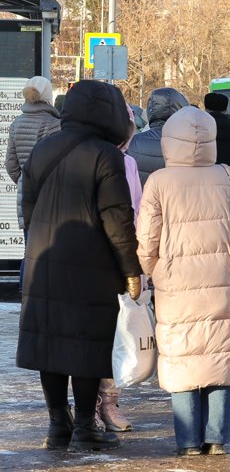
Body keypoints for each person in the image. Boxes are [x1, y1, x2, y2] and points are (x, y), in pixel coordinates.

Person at [136, 106, 230, 456]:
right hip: (221, 280)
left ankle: (189, 442)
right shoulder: (227, 176)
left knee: (182, 358)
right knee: (219, 356)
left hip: (175, 285)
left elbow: (147, 240)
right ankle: (216, 438)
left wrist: (150, 270)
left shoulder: (159, 182)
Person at [17, 79, 142, 453]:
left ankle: (58, 426)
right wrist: (131, 270)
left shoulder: (42, 149)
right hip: (93, 267)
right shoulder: (107, 155)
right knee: (89, 347)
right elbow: (117, 219)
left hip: (44, 259)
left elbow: (28, 210)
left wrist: (38, 247)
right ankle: (85, 427)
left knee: (50, 344)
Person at [95, 102, 143, 434]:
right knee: (95, 338)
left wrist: (138, 266)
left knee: (119, 335)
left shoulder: (128, 163)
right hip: (93, 259)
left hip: (121, 261)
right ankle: (89, 406)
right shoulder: (93, 158)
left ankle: (110, 403)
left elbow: (137, 214)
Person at [4, 76, 61, 290]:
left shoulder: (16, 123)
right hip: (48, 194)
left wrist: (22, 181)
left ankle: (24, 292)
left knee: (29, 246)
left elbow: (10, 163)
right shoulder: (53, 124)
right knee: (48, 246)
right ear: (47, 95)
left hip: (25, 193)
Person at [127, 87, 189, 186]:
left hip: (143, 199)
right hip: (177, 200)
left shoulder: (133, 142)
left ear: (151, 110)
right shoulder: (191, 143)